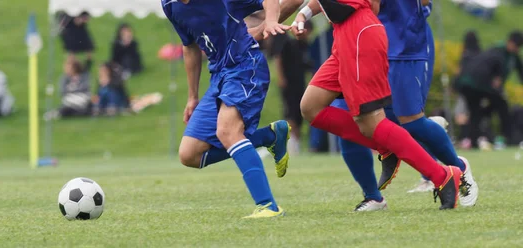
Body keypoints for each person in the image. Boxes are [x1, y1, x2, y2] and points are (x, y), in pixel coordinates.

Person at [291, 0, 462, 210]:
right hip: (345, 38)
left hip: (361, 37)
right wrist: (303, 14)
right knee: (311, 106)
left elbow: (357, 6)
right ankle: (385, 146)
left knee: (374, 123)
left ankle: (443, 176)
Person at [162, 0, 294, 218]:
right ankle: (269, 136)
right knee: (189, 154)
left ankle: (268, 206)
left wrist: (269, 22)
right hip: (219, 76)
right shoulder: (169, 5)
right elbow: (189, 46)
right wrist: (192, 96)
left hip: (245, 66)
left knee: (227, 131)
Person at [455, 30, 523, 149]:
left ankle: (474, 141)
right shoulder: (497, 51)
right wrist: (497, 82)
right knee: (500, 105)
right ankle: (509, 138)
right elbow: (493, 73)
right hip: (477, 84)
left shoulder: (513, 56)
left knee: (478, 112)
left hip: (478, 85)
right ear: (509, 42)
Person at [270, 20, 314, 155]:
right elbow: (278, 58)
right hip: (289, 83)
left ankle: (296, 144)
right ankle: (289, 143)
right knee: (290, 113)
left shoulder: (303, 45)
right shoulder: (287, 42)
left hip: (300, 83)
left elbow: (307, 64)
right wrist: (281, 77)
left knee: (298, 113)